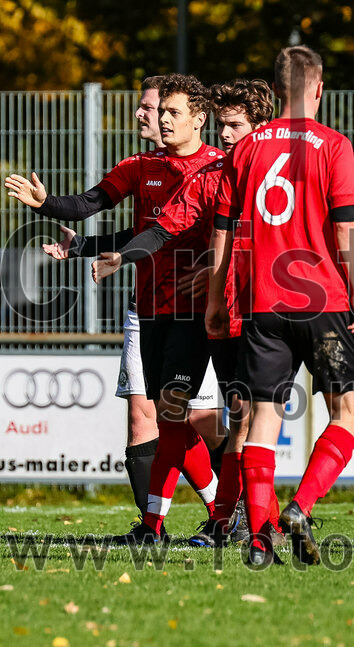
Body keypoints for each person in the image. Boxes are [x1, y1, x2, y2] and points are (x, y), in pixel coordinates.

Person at [6, 74, 225, 544]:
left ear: (199, 119)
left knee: (192, 417)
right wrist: (46, 204)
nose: (161, 119)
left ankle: (221, 512)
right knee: (162, 416)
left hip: (199, 312)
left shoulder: (219, 168)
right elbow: (90, 204)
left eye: (171, 112)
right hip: (147, 308)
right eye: (158, 111)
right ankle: (186, 518)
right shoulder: (139, 165)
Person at [92, 78, 277, 546]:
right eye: (224, 125)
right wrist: (116, 256)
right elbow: (161, 231)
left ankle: (267, 518)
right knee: (208, 418)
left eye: (236, 125)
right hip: (202, 314)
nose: (228, 134)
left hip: (260, 314)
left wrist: (224, 272)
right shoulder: (210, 175)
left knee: (248, 421)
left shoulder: (269, 174)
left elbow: (284, 242)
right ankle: (219, 521)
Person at [206, 45, 354, 567]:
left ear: (274, 94)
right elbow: (345, 227)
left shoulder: (246, 149)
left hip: (262, 305)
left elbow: (223, 232)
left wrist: (215, 297)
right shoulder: (334, 145)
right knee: (349, 411)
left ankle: (257, 541)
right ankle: (301, 505)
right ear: (319, 88)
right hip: (321, 303)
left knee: (261, 421)